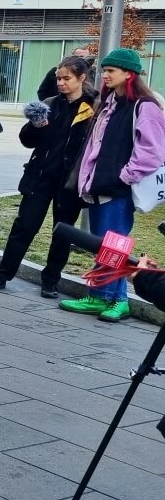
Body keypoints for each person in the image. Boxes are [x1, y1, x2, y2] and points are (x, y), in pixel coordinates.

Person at [61, 48, 165, 322]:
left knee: (114, 245)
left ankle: (118, 299)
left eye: (111, 71)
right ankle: (100, 295)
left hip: (117, 189)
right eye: (104, 70)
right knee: (106, 244)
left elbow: (152, 152)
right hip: (98, 187)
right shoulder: (109, 103)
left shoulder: (145, 106)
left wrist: (123, 176)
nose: (105, 75)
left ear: (129, 74)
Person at [0, 56, 96, 297]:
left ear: (81, 78)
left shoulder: (93, 108)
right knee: (24, 226)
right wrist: (35, 126)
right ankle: (2, 275)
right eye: (58, 78)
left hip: (69, 183)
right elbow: (27, 140)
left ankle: (51, 280)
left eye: (67, 78)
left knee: (62, 232)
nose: (61, 83)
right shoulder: (50, 104)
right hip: (41, 177)